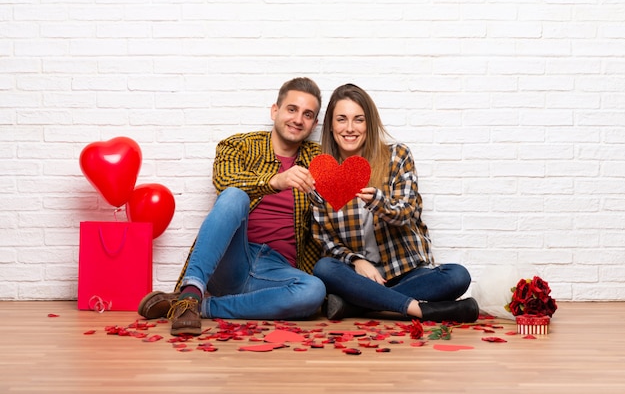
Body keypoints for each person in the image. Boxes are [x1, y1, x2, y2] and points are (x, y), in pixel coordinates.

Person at [137, 77, 326, 336]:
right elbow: (223, 180)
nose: (298, 119)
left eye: (307, 114)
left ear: (314, 124)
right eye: (291, 109)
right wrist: (274, 181)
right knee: (234, 195)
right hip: (232, 259)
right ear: (275, 110)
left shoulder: (319, 160)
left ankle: (197, 306)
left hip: (277, 271)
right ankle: (191, 292)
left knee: (314, 291)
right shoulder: (238, 145)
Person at [311, 83, 479, 323]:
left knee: (457, 276)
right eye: (342, 119)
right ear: (330, 126)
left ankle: (358, 307)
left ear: (369, 123)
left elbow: (406, 213)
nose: (350, 128)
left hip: (407, 272)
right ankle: (416, 309)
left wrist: (378, 201)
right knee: (324, 268)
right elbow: (325, 239)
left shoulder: (398, 156)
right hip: (359, 276)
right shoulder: (322, 174)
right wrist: (357, 261)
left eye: (358, 119)